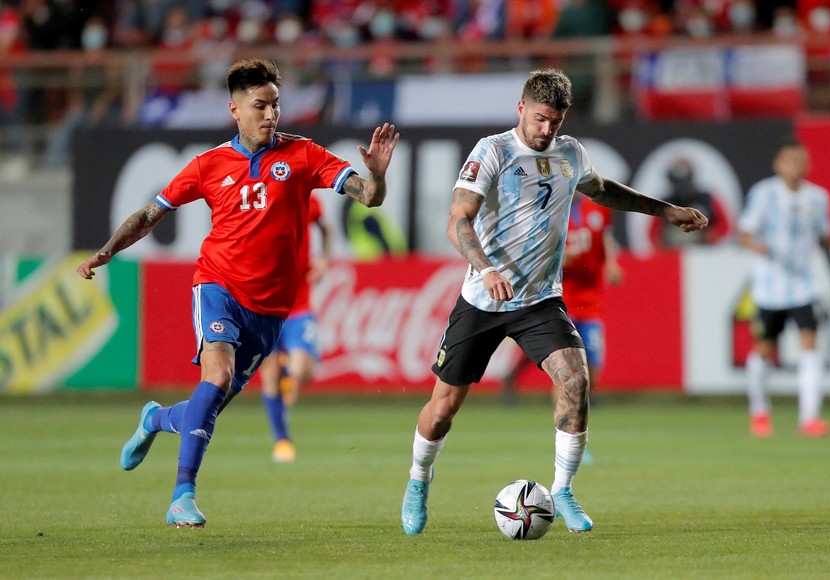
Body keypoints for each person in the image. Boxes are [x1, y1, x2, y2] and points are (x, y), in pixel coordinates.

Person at [76, 58, 400, 528]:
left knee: (207, 404)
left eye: (275, 105)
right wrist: (107, 251)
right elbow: (150, 214)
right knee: (219, 374)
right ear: (235, 109)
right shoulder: (208, 165)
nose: (270, 115)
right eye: (260, 106)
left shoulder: (304, 155)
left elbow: (368, 197)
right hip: (217, 284)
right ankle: (182, 495)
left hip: (271, 309)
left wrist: (379, 175)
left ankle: (153, 420)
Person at [400, 68, 708, 536]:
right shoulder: (493, 151)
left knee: (575, 381)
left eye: (556, 122)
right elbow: (458, 219)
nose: (547, 130)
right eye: (541, 118)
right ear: (521, 109)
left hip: (540, 298)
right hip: (484, 295)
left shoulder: (570, 153)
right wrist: (486, 268)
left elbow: (603, 191)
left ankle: (562, 488)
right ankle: (419, 479)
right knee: (443, 408)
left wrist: (666, 210)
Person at [737, 138, 830, 439]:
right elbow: (744, 232)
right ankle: (760, 413)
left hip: (804, 286)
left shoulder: (818, 198)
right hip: (769, 288)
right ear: (778, 165)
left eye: (801, 161)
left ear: (807, 165)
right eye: (790, 161)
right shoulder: (764, 194)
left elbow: (825, 239)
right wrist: (757, 247)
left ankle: (810, 418)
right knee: (764, 350)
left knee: (810, 346)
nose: (796, 167)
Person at [501, 193, 623, 411]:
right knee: (565, 365)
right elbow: (535, 253)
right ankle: (565, 421)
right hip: (560, 296)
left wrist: (612, 263)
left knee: (592, 363)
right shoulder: (548, 211)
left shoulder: (598, 208)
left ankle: (581, 406)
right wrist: (559, 258)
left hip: (592, 300)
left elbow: (605, 235)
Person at [259, 192, 333, 463]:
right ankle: (282, 440)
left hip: (299, 304)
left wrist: (324, 259)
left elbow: (326, 229)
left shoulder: (308, 200)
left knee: (303, 370)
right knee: (269, 373)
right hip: (264, 304)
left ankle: (289, 374)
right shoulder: (259, 199)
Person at [650, 157, 731, 249]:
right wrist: (662, 246)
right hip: (673, 251)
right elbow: (653, 234)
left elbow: (724, 225)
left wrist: (711, 235)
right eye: (677, 182)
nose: (681, 187)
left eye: (684, 182)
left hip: (703, 252)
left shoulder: (708, 199)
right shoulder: (664, 203)